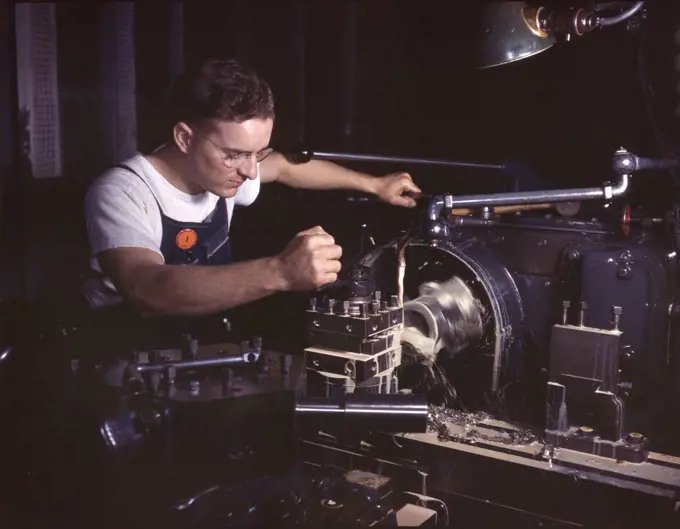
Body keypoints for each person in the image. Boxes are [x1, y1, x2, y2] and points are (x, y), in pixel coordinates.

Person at [82, 58, 422, 318]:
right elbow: (145, 290)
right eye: (234, 155)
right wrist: (281, 273)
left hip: (205, 342)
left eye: (258, 153)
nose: (249, 171)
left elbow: (288, 168)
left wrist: (376, 184)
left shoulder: (224, 173)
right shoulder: (123, 192)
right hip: (123, 353)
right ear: (184, 137)